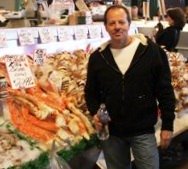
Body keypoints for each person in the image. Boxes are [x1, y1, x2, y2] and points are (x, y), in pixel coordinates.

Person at [84, 5, 176, 169]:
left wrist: (168, 125)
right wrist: (95, 112)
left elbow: (165, 90)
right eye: (112, 23)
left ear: (129, 23)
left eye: (121, 22)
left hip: (143, 130)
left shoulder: (152, 52)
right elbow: (90, 92)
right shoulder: (97, 58)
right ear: (105, 27)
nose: (117, 27)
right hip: (112, 132)